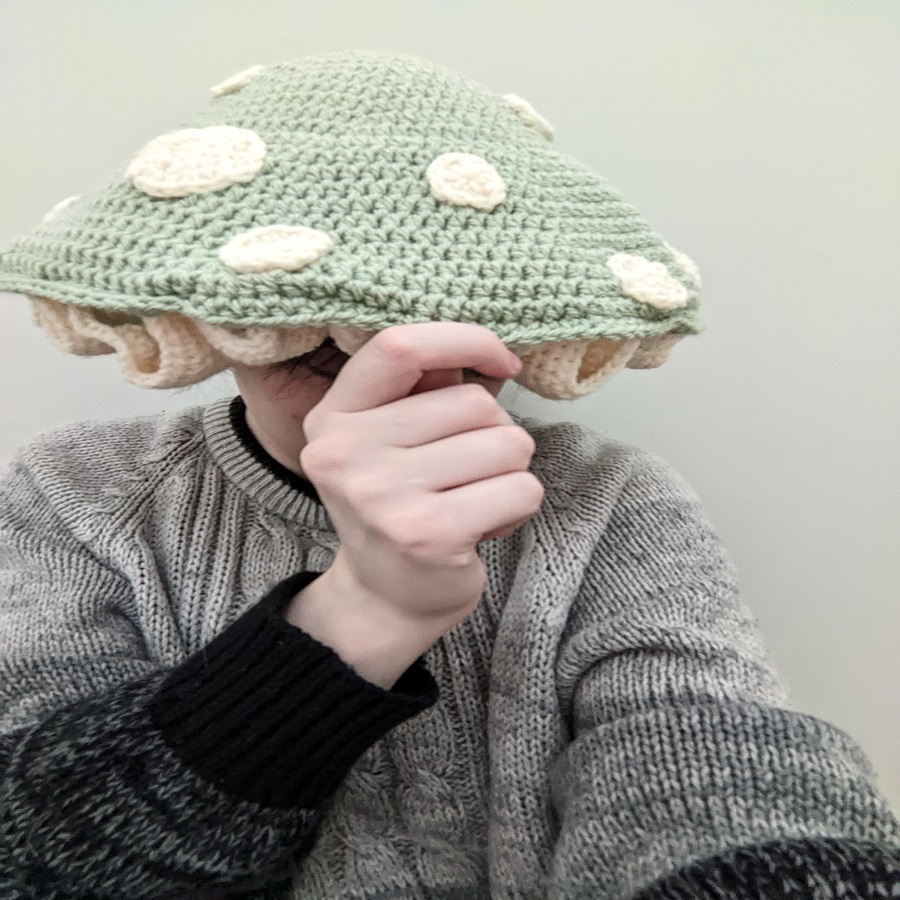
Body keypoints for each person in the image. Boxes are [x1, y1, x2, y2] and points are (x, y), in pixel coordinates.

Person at [0, 50, 896, 900]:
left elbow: (707, 752)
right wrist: (361, 614)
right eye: (316, 346)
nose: (401, 369)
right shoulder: (78, 496)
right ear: (219, 322)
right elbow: (37, 854)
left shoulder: (609, 501)